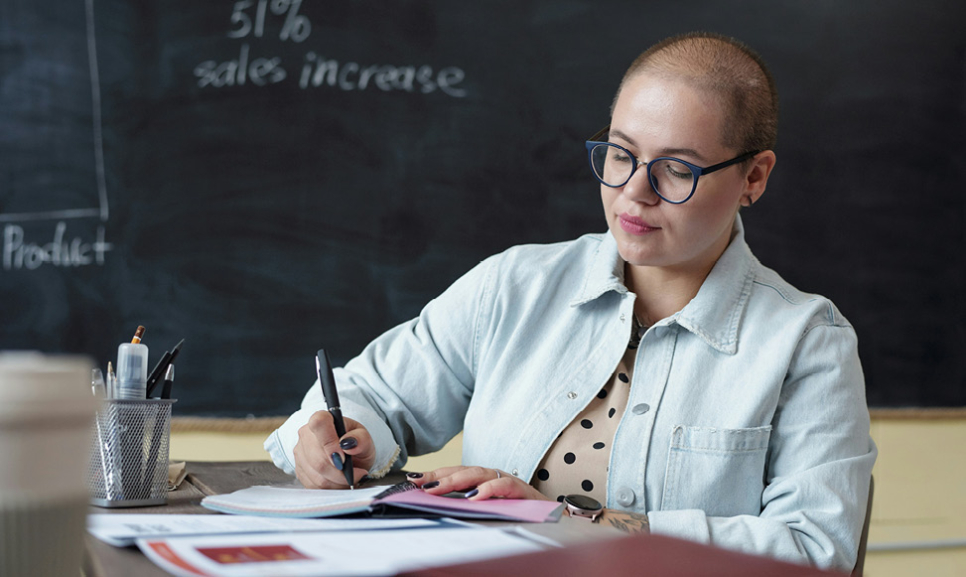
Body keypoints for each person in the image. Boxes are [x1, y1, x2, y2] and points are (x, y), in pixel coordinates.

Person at [265, 32, 876, 571]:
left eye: (677, 169)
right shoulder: (516, 285)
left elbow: (814, 550)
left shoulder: (807, 343)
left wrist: (571, 522)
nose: (634, 191)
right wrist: (338, 434)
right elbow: (368, 396)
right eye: (621, 153)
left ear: (754, 178)